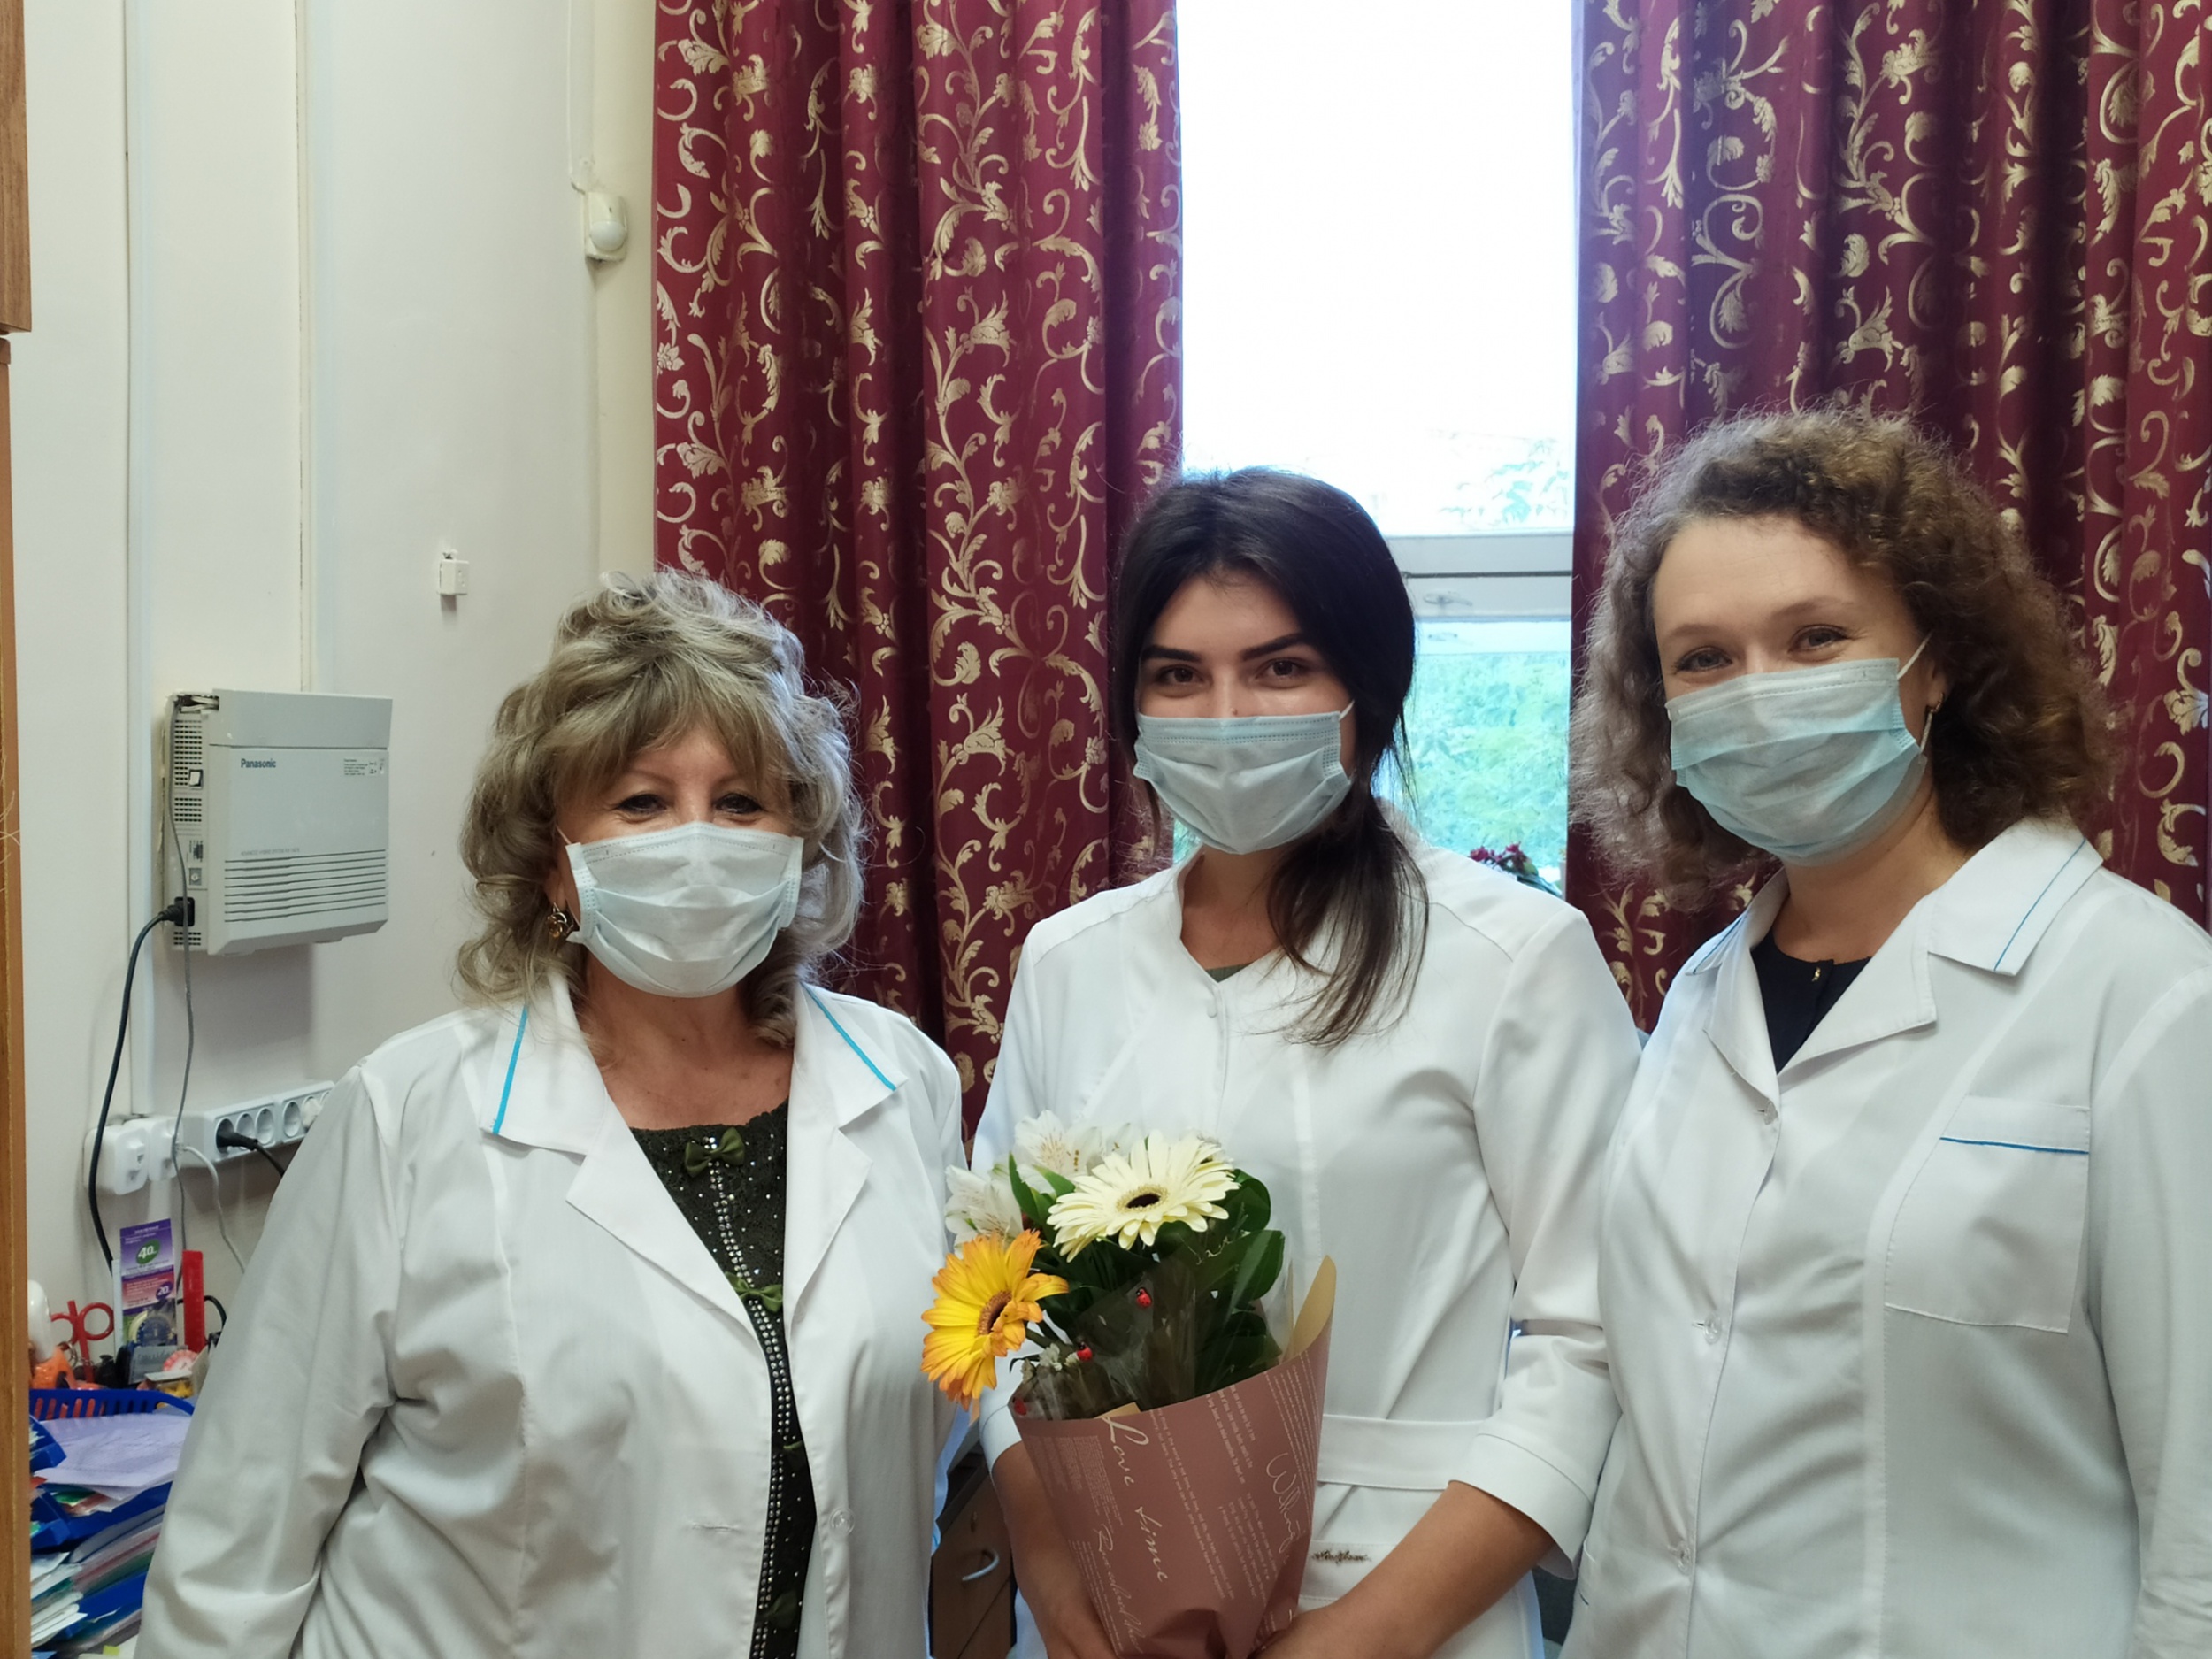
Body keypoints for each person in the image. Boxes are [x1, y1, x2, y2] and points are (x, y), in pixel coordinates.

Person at [140, 574, 964, 1659]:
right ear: (554, 867)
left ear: (799, 845)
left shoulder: (902, 1083)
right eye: (641, 803)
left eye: (740, 804)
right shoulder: (409, 1114)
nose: (697, 842)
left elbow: (917, 1439)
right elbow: (236, 1545)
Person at [1566, 409, 2212, 1659]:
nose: (1759, 695)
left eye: (1815, 638)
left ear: (1936, 660)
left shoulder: (2142, 997)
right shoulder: (1701, 999)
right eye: (1703, 659)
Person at [972, 470, 1643, 1659]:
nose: (1228, 714)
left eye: (1280, 667)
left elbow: (1591, 1335)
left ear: (1366, 691)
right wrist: (1051, 1557)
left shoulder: (1509, 958)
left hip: (1407, 1591)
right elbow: (995, 1294)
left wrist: (1362, 1634)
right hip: (1115, 1603)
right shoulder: (1069, 963)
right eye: (1178, 675)